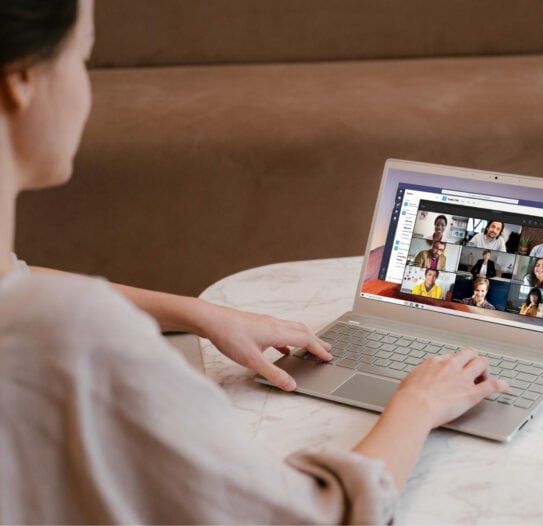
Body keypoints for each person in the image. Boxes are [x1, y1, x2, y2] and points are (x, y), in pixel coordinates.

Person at [0, 2, 508, 523]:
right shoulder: (75, 338)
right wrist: (419, 404)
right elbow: (313, 515)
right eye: (83, 59)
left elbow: (12, 278)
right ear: (20, 80)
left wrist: (202, 314)